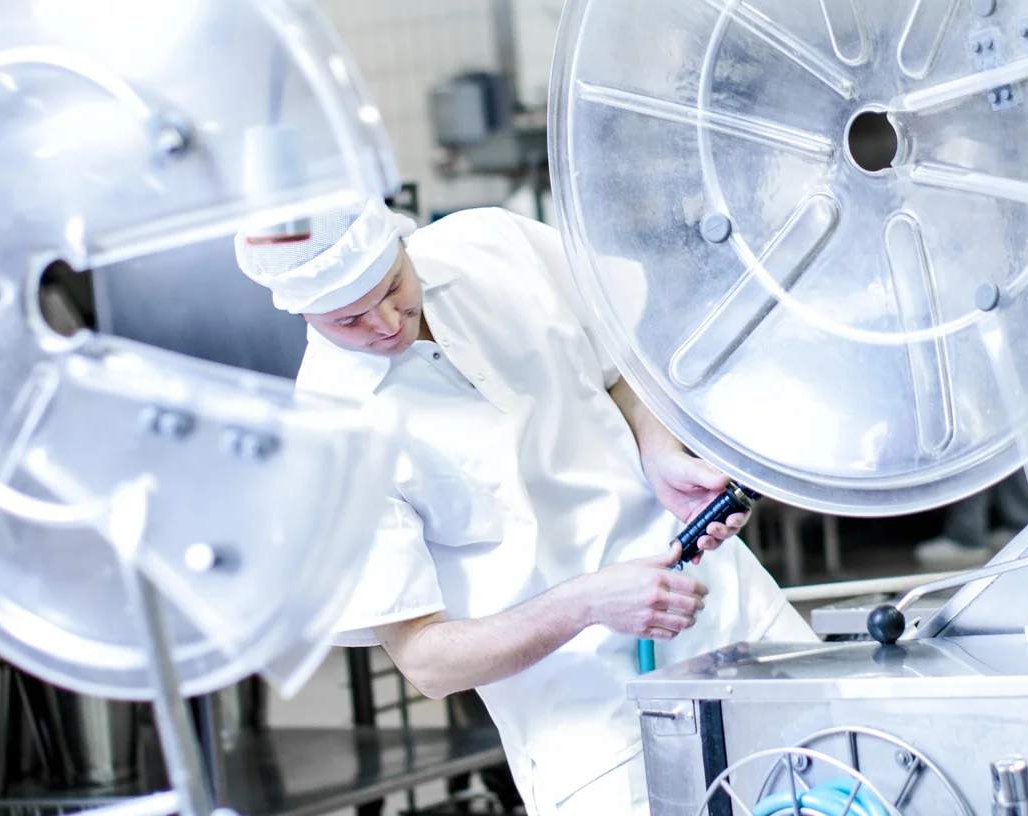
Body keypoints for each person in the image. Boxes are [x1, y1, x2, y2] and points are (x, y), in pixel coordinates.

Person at [236, 198, 816, 814]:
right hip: (593, 729)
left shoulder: (496, 244)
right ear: (301, 312)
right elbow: (426, 661)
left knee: (852, 786)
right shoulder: (331, 433)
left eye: (393, 288)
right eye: (349, 320)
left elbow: (621, 367)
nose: (385, 324)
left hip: (732, 619)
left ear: (403, 243)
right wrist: (587, 603)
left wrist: (660, 454)